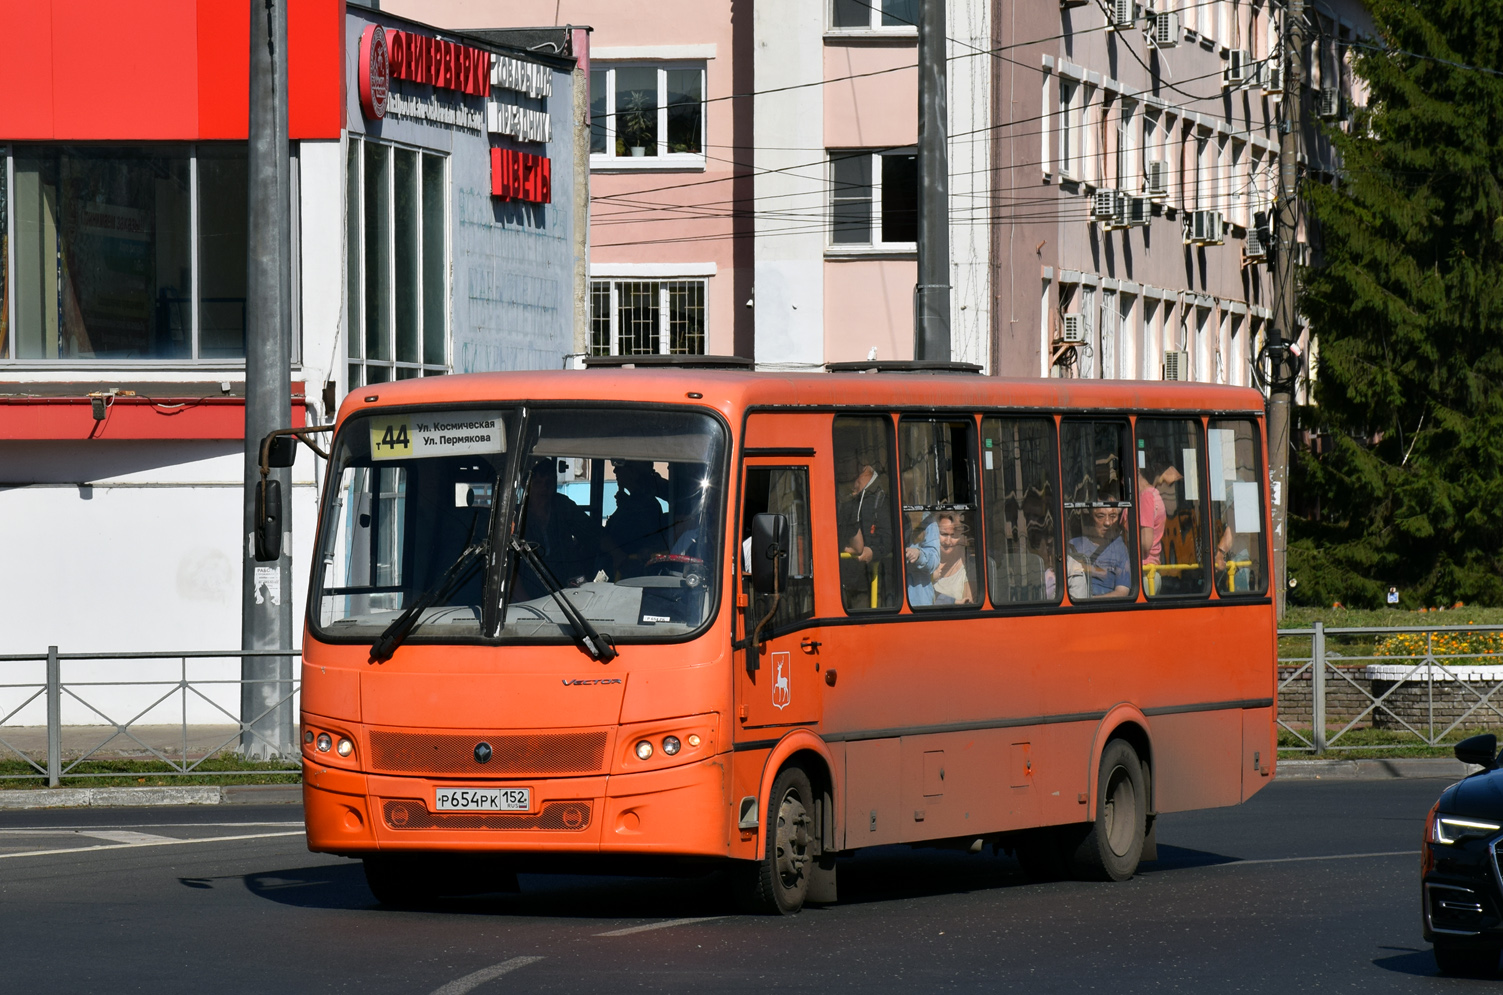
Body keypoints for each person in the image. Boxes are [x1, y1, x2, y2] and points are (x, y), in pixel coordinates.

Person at [519, 458, 602, 591]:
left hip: (566, 592)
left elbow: (594, 534)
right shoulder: (516, 517)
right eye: (538, 482)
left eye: (549, 482)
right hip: (529, 596)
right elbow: (509, 572)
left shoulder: (562, 506)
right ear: (525, 485)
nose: (544, 488)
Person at [836, 452, 893, 609]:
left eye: (845, 462)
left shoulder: (880, 499)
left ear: (864, 467)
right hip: (843, 582)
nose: (843, 470)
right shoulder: (849, 498)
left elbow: (890, 537)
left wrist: (873, 551)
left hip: (867, 584)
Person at [604, 460, 669, 575]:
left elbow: (624, 537)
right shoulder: (636, 502)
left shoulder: (643, 505)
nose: (614, 471)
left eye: (619, 468)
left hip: (627, 572)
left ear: (633, 472)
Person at [1067, 505, 1132, 599]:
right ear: (1090, 518)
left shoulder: (1120, 548)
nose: (1107, 522)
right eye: (1100, 516)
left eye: (1112, 516)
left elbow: (1122, 591)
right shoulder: (1074, 545)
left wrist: (1090, 601)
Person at [930, 511, 975, 605]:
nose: (948, 541)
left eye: (953, 535)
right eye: (944, 534)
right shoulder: (925, 563)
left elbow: (969, 604)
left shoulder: (968, 568)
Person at [904, 514, 942, 606]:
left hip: (917, 599)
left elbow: (934, 560)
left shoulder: (926, 518)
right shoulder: (887, 511)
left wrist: (918, 555)